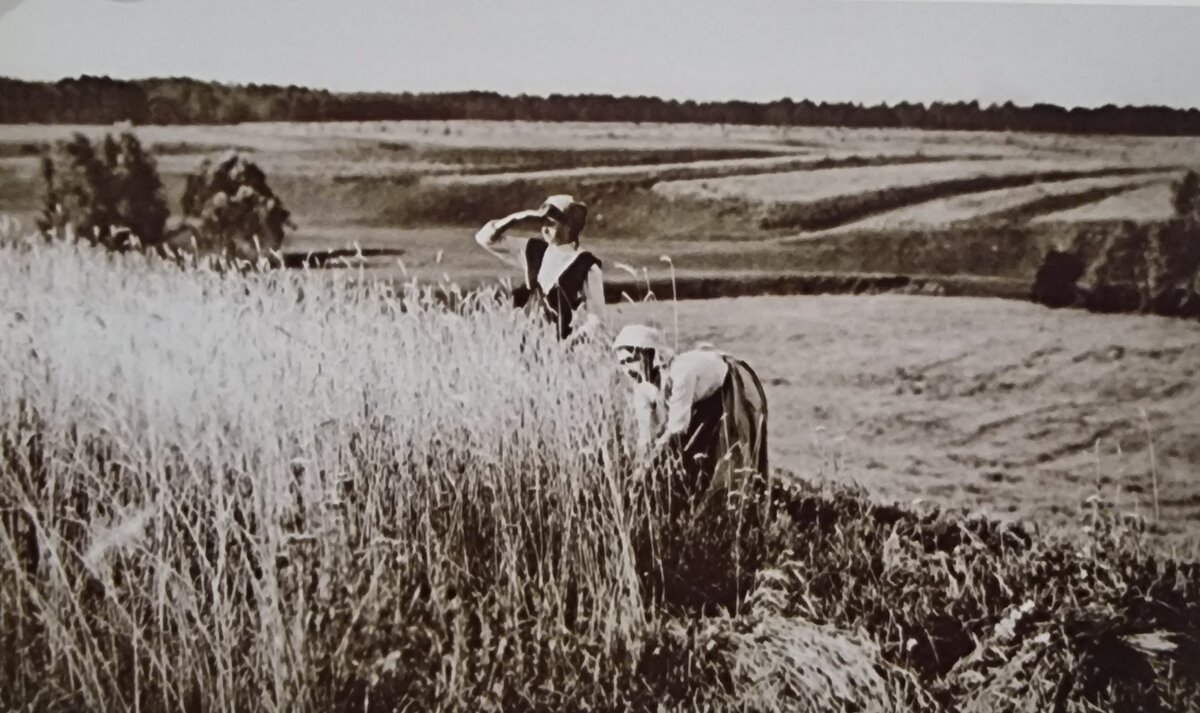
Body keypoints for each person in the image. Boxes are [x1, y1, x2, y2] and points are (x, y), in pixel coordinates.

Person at [612, 324, 769, 497]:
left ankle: (746, 498)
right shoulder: (641, 388)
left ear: (649, 354)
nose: (628, 369)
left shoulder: (681, 373)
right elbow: (646, 435)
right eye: (623, 363)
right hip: (699, 400)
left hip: (728, 385)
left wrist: (650, 464)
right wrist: (640, 466)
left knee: (732, 451)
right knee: (692, 456)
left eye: (632, 360)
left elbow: (677, 430)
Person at [474, 194, 606, 341]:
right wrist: (517, 218)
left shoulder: (586, 265)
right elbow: (484, 238)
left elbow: (597, 320)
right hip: (522, 341)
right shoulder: (533, 250)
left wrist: (570, 344)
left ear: (569, 226)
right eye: (543, 223)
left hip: (560, 349)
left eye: (552, 224)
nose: (545, 229)